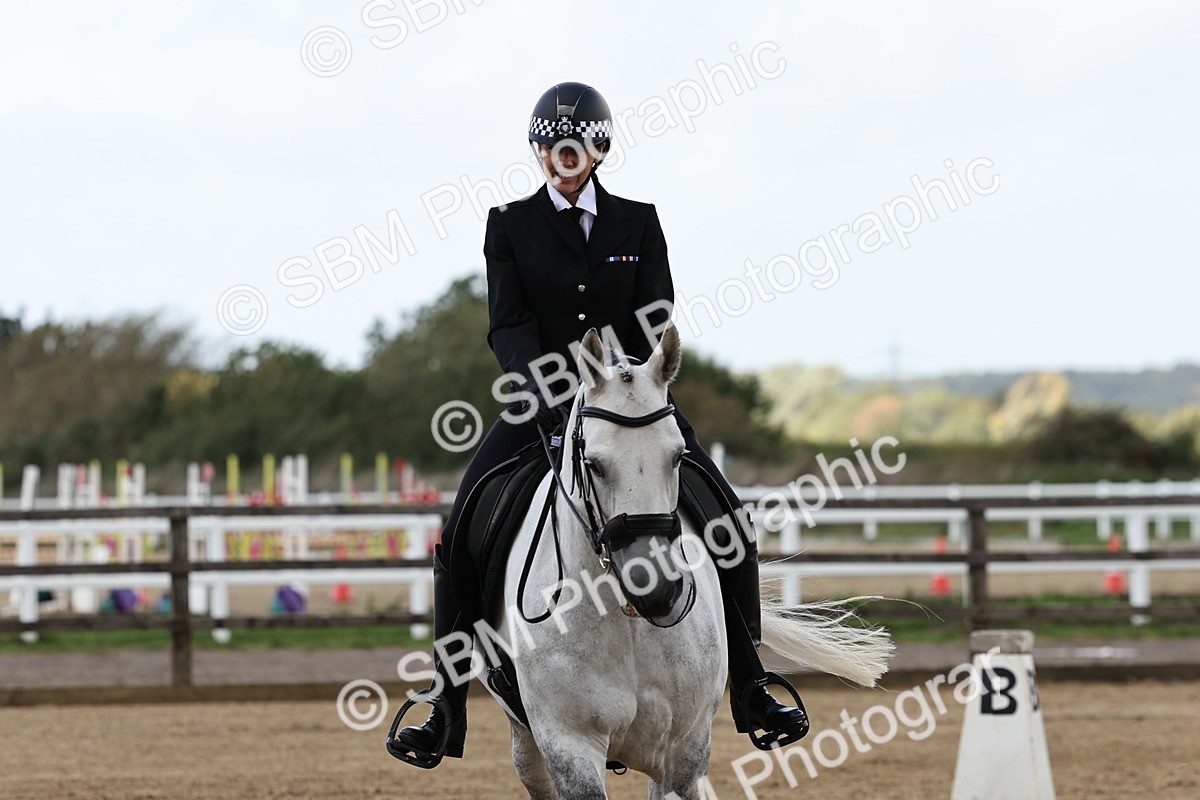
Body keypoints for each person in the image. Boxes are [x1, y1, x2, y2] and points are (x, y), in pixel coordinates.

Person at [392, 82, 809, 767]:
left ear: (599, 149)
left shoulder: (638, 221)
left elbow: (656, 310)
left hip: (631, 403)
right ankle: (445, 702)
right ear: (539, 152)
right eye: (550, 146)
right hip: (542, 403)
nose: (562, 156)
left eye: (575, 144)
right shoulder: (509, 224)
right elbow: (508, 324)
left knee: (729, 518)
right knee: (461, 528)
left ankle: (751, 684)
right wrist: (548, 390)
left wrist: (626, 381)